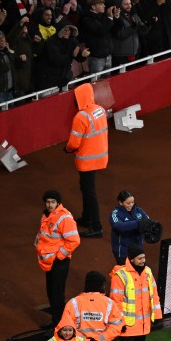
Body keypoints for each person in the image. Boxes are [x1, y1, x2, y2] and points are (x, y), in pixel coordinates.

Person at [106, 244, 163, 341]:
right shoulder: (120, 276)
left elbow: (154, 295)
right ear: (131, 259)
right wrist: (121, 322)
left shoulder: (148, 272)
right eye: (140, 258)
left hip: (143, 322)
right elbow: (115, 302)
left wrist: (157, 316)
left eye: (144, 257)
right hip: (129, 323)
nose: (143, 260)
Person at [64, 82, 108, 238]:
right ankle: (87, 218)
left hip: (87, 160)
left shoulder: (80, 117)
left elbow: (74, 143)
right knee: (86, 189)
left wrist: (67, 149)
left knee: (89, 192)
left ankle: (96, 226)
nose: (74, 101)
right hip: (100, 156)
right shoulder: (99, 110)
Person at [36, 190, 81, 330]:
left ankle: (59, 324)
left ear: (58, 203)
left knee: (57, 292)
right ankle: (55, 319)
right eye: (48, 202)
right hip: (49, 260)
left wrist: (59, 256)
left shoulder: (64, 218)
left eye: (53, 202)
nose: (50, 204)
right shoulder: (46, 215)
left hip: (59, 261)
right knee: (50, 290)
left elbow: (74, 240)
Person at [109, 191, 152, 265]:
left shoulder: (138, 210)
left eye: (132, 202)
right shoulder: (115, 214)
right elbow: (119, 226)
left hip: (137, 250)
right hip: (123, 252)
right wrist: (138, 223)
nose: (131, 205)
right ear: (120, 202)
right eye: (128, 203)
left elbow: (147, 221)